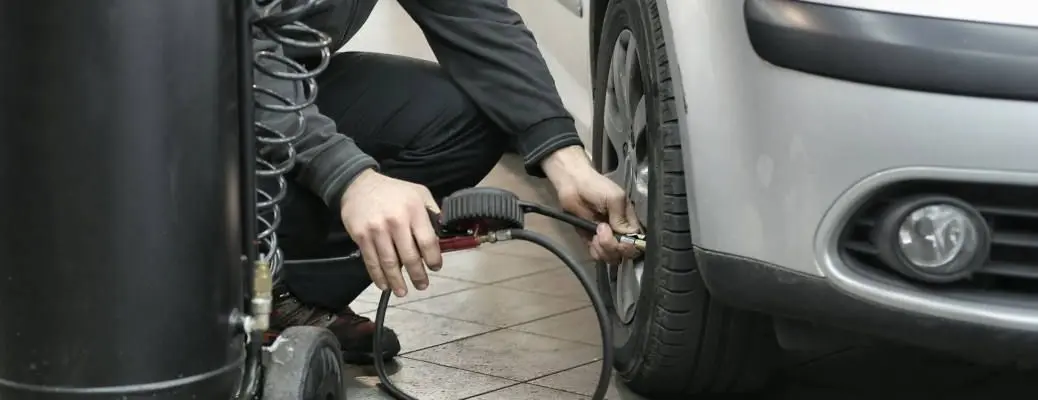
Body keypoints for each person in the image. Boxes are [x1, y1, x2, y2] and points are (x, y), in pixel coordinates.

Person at [256, 0, 642, 364]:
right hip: (210, 103)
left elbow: (476, 18)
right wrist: (350, 178)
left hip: (276, 83)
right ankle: (220, 280)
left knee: (469, 116)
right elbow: (221, 58)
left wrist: (565, 160)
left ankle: (282, 293)